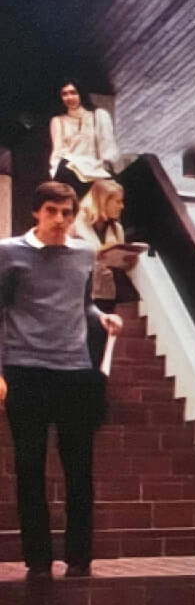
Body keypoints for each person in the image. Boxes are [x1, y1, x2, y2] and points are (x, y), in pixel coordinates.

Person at [0, 181, 122, 579]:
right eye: (52, 211)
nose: (60, 220)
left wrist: (100, 317)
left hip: (74, 372)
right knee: (30, 468)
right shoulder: (8, 252)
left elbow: (81, 301)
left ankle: (79, 559)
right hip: (25, 369)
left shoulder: (85, 254)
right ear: (36, 212)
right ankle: (38, 561)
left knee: (80, 470)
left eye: (67, 213)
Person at [72, 179, 138, 315]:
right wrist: (97, 254)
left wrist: (127, 261)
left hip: (105, 295)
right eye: (118, 201)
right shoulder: (76, 223)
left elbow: (118, 265)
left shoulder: (117, 228)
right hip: (79, 293)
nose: (122, 206)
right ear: (103, 201)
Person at [49, 80, 118, 199]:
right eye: (64, 94)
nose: (69, 97)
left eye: (73, 92)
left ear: (81, 93)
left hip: (96, 171)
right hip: (71, 171)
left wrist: (107, 168)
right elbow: (58, 152)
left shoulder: (98, 116)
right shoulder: (58, 121)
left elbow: (107, 145)